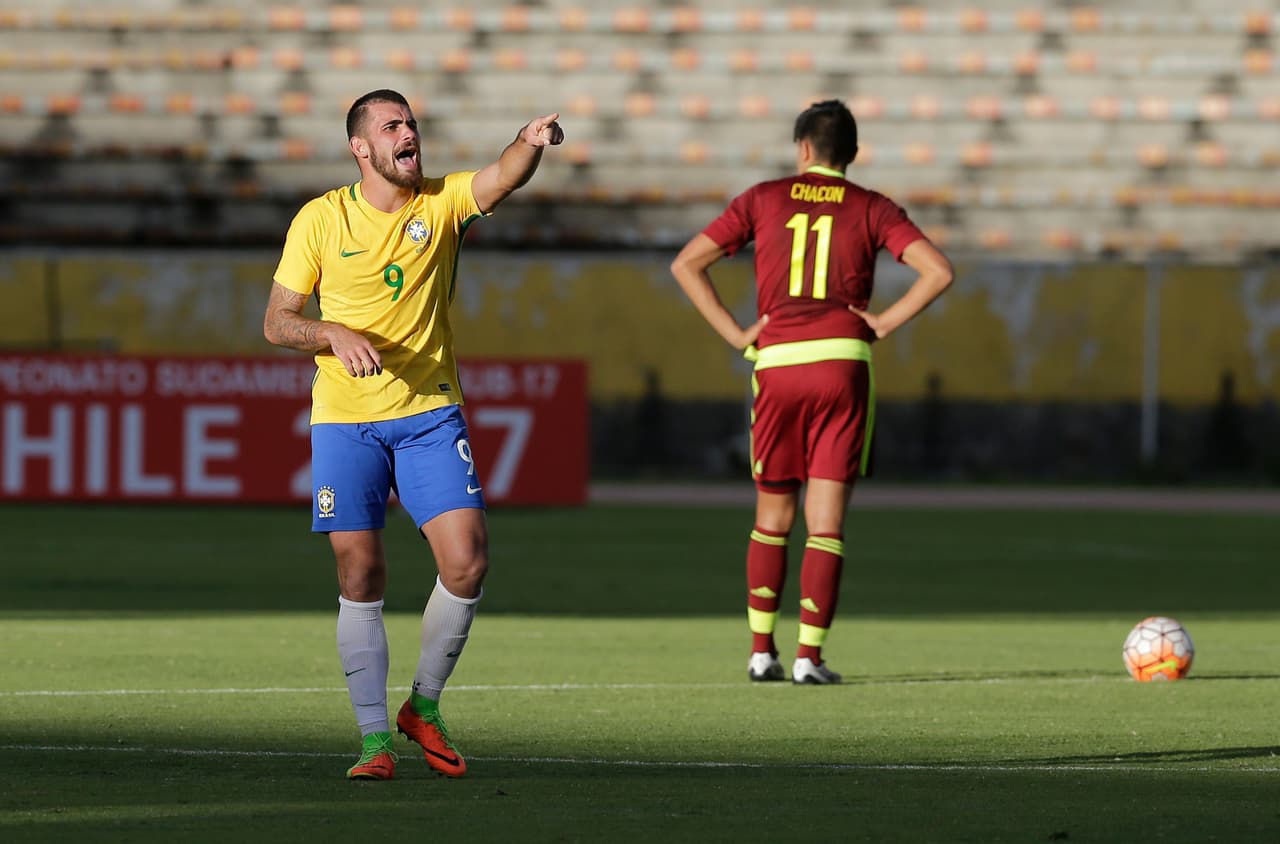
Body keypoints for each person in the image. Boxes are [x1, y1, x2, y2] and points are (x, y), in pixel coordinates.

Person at [263, 89, 563, 779]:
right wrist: (332, 332)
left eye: (412, 124)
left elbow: (503, 176)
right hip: (346, 419)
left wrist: (528, 141)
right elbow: (277, 321)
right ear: (360, 148)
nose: (408, 134)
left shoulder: (442, 203)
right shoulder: (320, 219)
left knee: (467, 561)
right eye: (391, 126)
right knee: (360, 572)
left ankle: (422, 705)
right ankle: (374, 742)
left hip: (429, 413)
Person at [670, 99, 953, 685]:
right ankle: (809, 658)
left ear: (803, 148)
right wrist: (882, 323)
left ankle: (760, 653)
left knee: (772, 517)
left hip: (778, 363)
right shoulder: (872, 206)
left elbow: (688, 264)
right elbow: (938, 271)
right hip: (842, 364)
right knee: (825, 523)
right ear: (852, 153)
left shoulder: (763, 198)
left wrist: (737, 335)